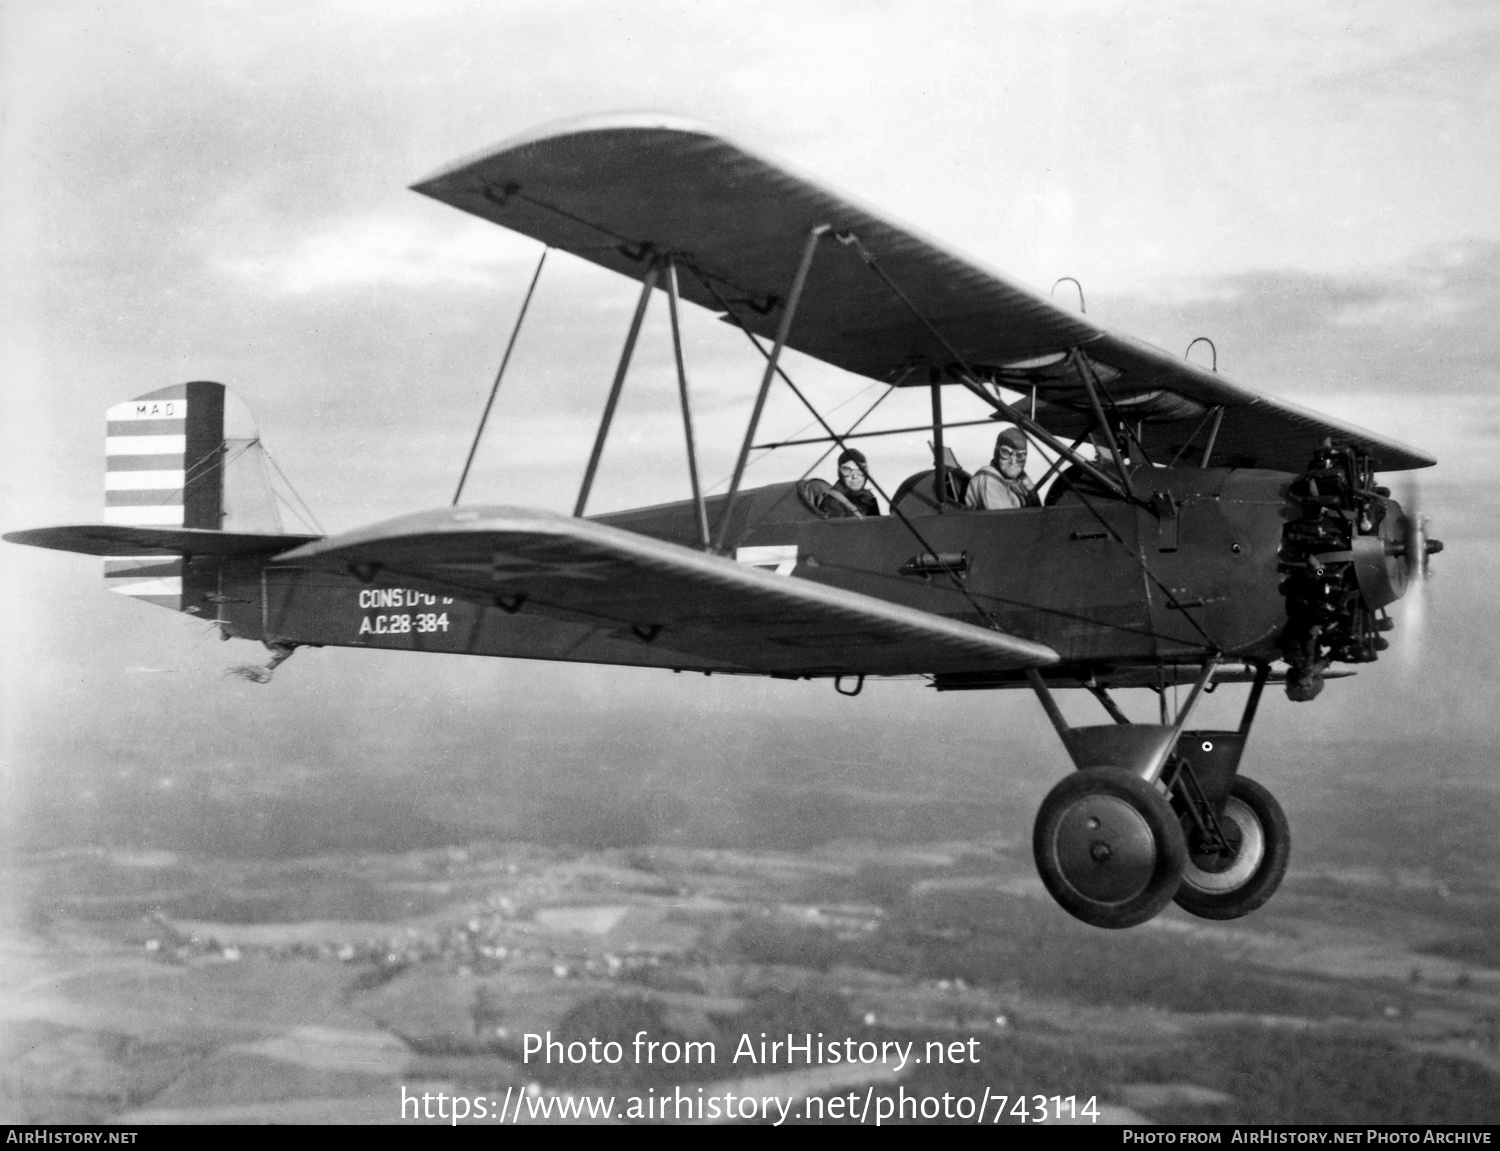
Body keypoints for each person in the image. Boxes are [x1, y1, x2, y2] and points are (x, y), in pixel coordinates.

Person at [965, 428, 1039, 510]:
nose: (1013, 461)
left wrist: (1032, 493)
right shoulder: (988, 480)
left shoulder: (1020, 480)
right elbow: (1004, 519)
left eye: (1020, 456)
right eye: (1006, 453)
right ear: (996, 452)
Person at [828, 447, 880, 517]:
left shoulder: (867, 496)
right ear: (840, 473)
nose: (855, 476)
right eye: (847, 469)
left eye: (861, 469)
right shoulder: (833, 503)